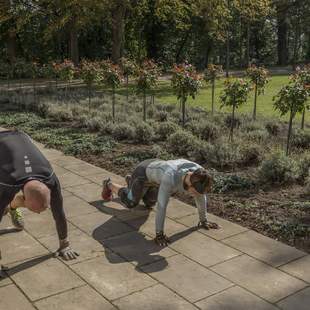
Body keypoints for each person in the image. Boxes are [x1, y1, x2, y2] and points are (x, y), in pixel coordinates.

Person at [0, 129, 78, 261]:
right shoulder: (6, 183)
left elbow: (59, 212)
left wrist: (64, 244)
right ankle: (8, 207)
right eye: (34, 210)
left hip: (21, 136)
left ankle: (12, 208)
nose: (39, 214)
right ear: (24, 197)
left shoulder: (50, 179)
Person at [102, 158, 219, 246]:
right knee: (131, 203)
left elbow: (200, 196)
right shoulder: (170, 177)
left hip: (156, 177)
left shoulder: (200, 175)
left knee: (149, 203)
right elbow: (162, 206)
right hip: (143, 173)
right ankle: (109, 184)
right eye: (194, 192)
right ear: (190, 183)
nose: (196, 195)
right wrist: (159, 234)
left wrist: (203, 220)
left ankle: (131, 184)